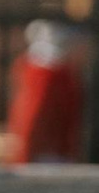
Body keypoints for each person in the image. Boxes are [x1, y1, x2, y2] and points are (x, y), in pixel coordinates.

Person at [6, 19, 84, 165]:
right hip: (47, 152)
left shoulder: (47, 73)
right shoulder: (47, 73)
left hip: (51, 150)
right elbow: (34, 115)